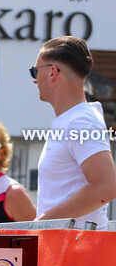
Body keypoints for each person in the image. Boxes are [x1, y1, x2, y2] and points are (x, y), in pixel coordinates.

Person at [32, 36, 116, 229]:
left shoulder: (80, 121)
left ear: (52, 71)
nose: (35, 79)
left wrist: (40, 224)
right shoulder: (74, 120)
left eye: (35, 71)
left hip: (78, 251)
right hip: (72, 248)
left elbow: (106, 186)